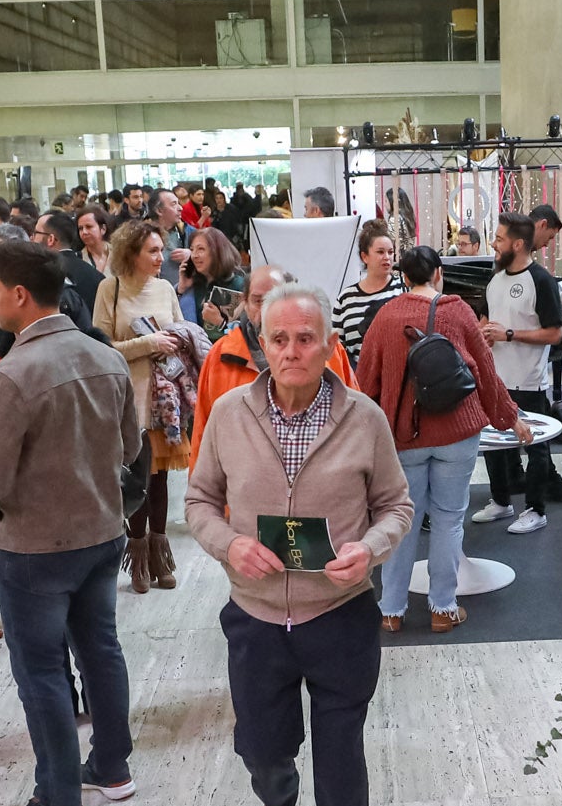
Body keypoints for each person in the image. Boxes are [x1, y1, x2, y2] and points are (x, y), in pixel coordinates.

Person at [185, 283, 413, 806]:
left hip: (340, 614)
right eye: (279, 339)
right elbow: (199, 501)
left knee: (341, 757)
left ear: (328, 346)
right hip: (256, 617)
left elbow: (396, 506)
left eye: (305, 339)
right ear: (262, 344)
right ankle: (276, 797)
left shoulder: (364, 419)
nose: (291, 351)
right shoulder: (230, 414)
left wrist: (368, 551)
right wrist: (232, 545)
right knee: (262, 746)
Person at [0, 238, 141, 806]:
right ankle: (111, 767)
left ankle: (59, 801)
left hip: (36, 547)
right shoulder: (106, 357)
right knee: (101, 649)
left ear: (18, 295)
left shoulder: (13, 374)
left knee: (40, 670)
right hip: (101, 531)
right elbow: (132, 449)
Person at [356, 243, 522, 633]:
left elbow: (366, 382)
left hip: (404, 436)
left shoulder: (386, 316)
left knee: (400, 521)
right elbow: (485, 370)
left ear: (403, 277)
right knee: (449, 520)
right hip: (456, 434)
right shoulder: (458, 311)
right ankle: (443, 609)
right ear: (438, 273)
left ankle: (391, 610)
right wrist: (508, 417)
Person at [93, 220, 204, 594]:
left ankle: (160, 558)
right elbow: (101, 345)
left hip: (164, 399)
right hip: (126, 398)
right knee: (135, 478)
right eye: (152, 251)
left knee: (159, 482)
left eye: (161, 250)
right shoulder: (110, 289)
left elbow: (179, 330)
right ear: (131, 254)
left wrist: (174, 340)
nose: (161, 258)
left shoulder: (164, 288)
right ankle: (137, 559)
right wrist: (148, 343)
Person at [475, 211, 562, 531]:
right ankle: (501, 501)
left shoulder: (541, 281)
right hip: (496, 378)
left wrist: (509, 335)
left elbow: (555, 333)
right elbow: (484, 320)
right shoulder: (494, 279)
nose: (494, 243)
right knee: (492, 443)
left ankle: (536, 508)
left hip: (528, 380)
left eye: (500, 238)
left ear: (518, 244)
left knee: (536, 445)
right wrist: (482, 336)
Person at [199, 260, 358, 434]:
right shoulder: (220, 356)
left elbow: (355, 418)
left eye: (275, 298)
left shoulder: (328, 350)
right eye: (258, 301)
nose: (266, 310)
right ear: (245, 302)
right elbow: (204, 432)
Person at [333, 222, 399, 358]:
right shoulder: (346, 298)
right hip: (357, 375)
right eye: (380, 252)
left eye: (390, 252)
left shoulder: (403, 289)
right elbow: (338, 348)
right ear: (365, 257)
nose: (387, 257)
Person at [46, 208, 104, 323]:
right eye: (80, 228)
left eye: (89, 227)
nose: (84, 232)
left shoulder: (119, 257)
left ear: (103, 229)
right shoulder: (79, 258)